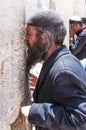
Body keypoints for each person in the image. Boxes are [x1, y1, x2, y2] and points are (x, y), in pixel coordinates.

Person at [21, 10, 86, 130]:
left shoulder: (63, 70)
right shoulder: (57, 61)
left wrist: (34, 111)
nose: (25, 39)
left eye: (28, 33)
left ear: (46, 37)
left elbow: (79, 119)